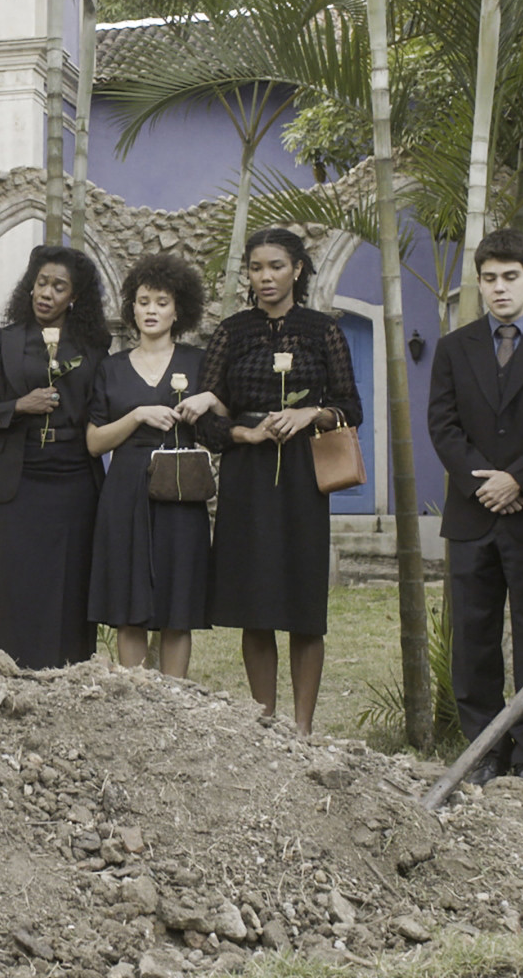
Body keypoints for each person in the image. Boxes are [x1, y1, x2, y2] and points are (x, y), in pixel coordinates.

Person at [428, 229, 523, 786]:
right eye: (490, 278)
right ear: (479, 282)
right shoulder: (454, 348)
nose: (499, 288)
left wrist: (518, 478)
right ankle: (485, 751)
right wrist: (483, 484)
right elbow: (443, 426)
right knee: (472, 639)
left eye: (510, 277)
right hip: (472, 517)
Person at [198, 228, 362, 735]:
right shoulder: (231, 332)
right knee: (256, 601)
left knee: (303, 601)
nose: (265, 277)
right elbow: (205, 418)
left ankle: (303, 730)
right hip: (247, 475)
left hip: (303, 474)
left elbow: (350, 407)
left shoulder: (322, 330)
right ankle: (265, 724)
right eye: (256, 268)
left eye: (276, 266)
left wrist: (312, 413)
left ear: (297, 270)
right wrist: (244, 433)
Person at [0, 245, 112, 669]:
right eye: (41, 283)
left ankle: (69, 676)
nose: (46, 293)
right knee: (18, 584)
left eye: (58, 287)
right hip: (18, 482)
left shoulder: (93, 348)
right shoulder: (2, 342)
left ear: (75, 297)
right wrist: (18, 406)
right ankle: (13, 672)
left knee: (71, 585)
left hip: (75, 481)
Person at [86, 253, 226, 676]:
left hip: (181, 490)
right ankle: (135, 699)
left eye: (161, 303)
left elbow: (227, 419)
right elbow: (94, 442)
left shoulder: (199, 362)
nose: (151, 310)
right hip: (125, 490)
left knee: (177, 606)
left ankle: (175, 698)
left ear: (178, 310)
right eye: (143, 302)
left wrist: (210, 399)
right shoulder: (110, 368)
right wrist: (136, 416)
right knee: (128, 607)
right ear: (132, 308)